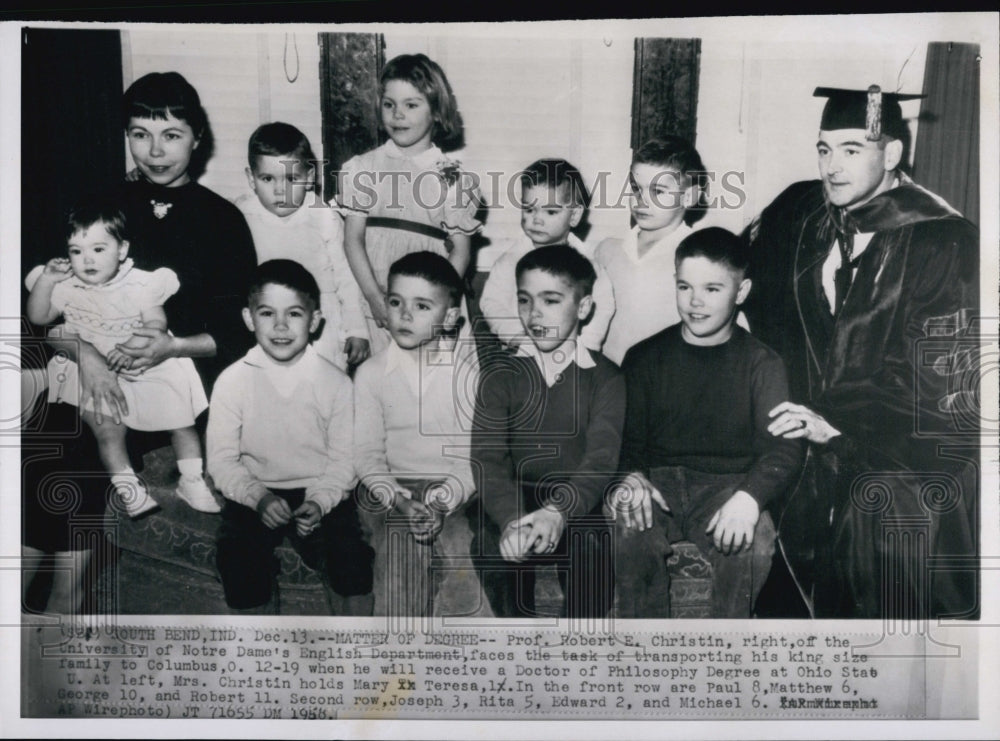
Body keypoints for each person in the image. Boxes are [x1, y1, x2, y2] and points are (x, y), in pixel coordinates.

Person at [21, 71, 256, 615]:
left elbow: (240, 332)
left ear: (198, 137)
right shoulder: (101, 205)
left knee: (88, 440)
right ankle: (19, 610)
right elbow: (50, 314)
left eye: (171, 134)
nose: (154, 150)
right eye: (139, 133)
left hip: (180, 387)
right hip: (93, 373)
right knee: (55, 445)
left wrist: (171, 348)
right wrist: (89, 357)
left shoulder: (223, 219)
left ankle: (62, 603)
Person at [746, 85, 980, 619]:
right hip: (810, 456)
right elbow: (758, 301)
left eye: (852, 149)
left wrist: (841, 434)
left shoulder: (945, 243)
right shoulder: (802, 212)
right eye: (824, 149)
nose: (832, 166)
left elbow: (945, 388)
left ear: (891, 154)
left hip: (899, 464)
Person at [606, 228, 803, 618]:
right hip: (657, 482)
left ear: (741, 292)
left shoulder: (763, 364)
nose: (695, 302)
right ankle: (642, 653)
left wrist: (749, 498)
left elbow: (783, 447)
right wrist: (629, 476)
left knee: (756, 541)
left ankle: (723, 649)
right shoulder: (645, 357)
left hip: (726, 487)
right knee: (630, 527)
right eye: (685, 287)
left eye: (712, 289)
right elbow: (625, 439)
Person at [26, 201, 218, 518]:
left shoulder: (140, 284)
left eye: (99, 249)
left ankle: (192, 479)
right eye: (76, 251)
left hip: (141, 359)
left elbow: (155, 324)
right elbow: (38, 316)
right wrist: (46, 280)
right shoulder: (67, 286)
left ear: (122, 249)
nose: (87, 259)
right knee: (107, 429)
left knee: (181, 421)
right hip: (91, 368)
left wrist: (133, 342)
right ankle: (128, 486)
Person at [208, 260, 373, 615]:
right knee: (238, 558)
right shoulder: (232, 381)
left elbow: (344, 460)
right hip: (256, 489)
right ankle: (261, 650)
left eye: (294, 314)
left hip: (319, 488)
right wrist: (258, 498)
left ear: (314, 322)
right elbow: (221, 461)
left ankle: (356, 648)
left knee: (351, 559)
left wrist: (320, 501)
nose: (280, 326)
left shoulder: (335, 383)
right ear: (249, 319)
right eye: (267, 313)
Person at [472, 246, 624, 618]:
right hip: (515, 492)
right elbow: (487, 459)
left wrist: (559, 512)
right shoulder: (500, 374)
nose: (534, 313)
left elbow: (601, 460)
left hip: (575, 494)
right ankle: (518, 644)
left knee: (591, 552)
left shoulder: (606, 377)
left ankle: (576, 653)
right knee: (491, 547)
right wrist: (511, 520)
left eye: (551, 300)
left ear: (584, 307)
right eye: (524, 300)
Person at [353, 251, 480, 617]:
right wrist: (401, 500)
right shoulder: (372, 374)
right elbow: (366, 455)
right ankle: (398, 660)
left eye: (422, 306)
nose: (405, 315)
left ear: (450, 317)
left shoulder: (466, 375)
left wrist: (440, 501)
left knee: (463, 550)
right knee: (399, 548)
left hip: (453, 489)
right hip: (391, 489)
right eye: (395, 302)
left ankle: (460, 658)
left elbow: (471, 458)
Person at [337, 53, 482, 355]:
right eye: (389, 105)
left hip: (430, 302)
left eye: (411, 105)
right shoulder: (362, 168)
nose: (397, 114)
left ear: (436, 112)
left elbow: (461, 252)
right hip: (377, 297)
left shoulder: (452, 177)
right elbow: (353, 240)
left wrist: (437, 305)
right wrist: (375, 297)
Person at [235, 122, 370, 370]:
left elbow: (346, 277)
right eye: (267, 178)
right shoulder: (241, 214)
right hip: (268, 320)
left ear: (309, 177)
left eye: (291, 179)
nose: (280, 190)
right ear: (251, 179)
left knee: (322, 386)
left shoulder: (322, 216)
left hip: (321, 321)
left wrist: (357, 329)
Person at [479, 158, 615, 352]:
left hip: (572, 355)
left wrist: (586, 347)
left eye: (550, 211)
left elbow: (603, 306)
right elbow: (492, 303)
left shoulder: (589, 265)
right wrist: (518, 338)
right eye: (529, 209)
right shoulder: (509, 261)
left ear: (574, 215)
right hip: (520, 354)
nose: (536, 219)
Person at [595, 137, 707, 366]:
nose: (642, 200)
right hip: (606, 380)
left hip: (665, 381)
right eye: (636, 188)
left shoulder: (698, 256)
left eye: (658, 191)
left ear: (689, 197)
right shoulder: (607, 250)